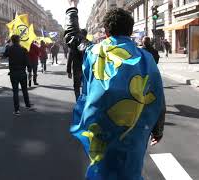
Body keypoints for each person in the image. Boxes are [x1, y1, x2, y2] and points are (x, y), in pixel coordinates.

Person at [65, 1, 166, 179]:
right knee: (130, 169)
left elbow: (72, 37)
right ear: (130, 31)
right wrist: (157, 129)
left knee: (102, 169)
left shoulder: (93, 51)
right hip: (133, 132)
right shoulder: (146, 58)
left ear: (106, 31)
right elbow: (156, 94)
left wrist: (72, 7)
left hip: (101, 130)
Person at [3, 35, 34, 116]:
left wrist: (8, 45)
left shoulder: (9, 48)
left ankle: (17, 110)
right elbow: (28, 62)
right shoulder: (23, 49)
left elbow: (4, 55)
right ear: (19, 40)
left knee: (15, 91)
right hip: (22, 73)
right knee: (24, 90)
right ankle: (28, 105)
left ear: (12, 41)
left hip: (13, 73)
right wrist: (30, 72)